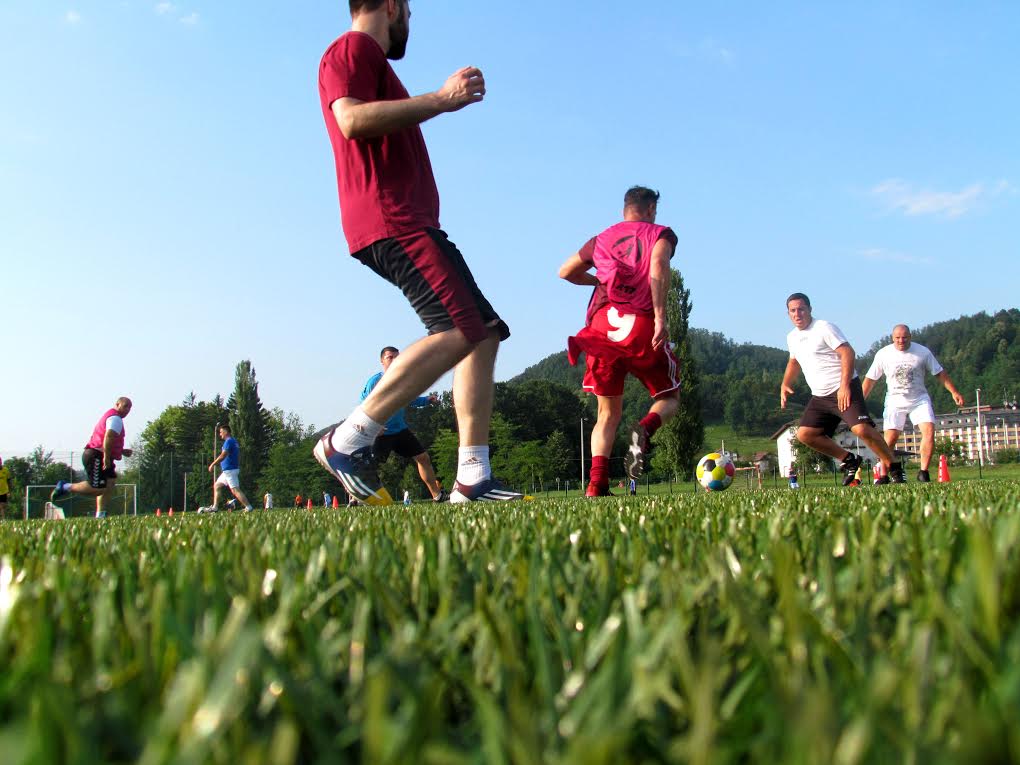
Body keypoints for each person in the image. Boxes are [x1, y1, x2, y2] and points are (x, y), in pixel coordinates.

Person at [315, 0, 522, 504]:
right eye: (409, 8)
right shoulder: (352, 47)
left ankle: (473, 475)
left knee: (484, 332)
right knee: (457, 330)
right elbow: (351, 119)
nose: (410, 19)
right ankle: (347, 439)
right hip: (392, 219)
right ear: (392, 5)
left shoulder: (372, 61)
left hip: (413, 221)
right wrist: (442, 98)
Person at [558, 186, 681, 497]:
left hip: (602, 330)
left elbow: (565, 272)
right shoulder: (660, 234)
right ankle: (645, 428)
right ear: (650, 209)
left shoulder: (601, 239)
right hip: (640, 325)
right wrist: (661, 317)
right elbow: (658, 266)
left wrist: (598, 279)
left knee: (607, 414)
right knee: (670, 396)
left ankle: (596, 485)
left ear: (625, 209)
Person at [779, 294, 902, 485]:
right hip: (820, 396)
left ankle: (894, 467)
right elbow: (793, 361)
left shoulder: (824, 328)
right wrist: (785, 383)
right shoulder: (792, 337)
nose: (797, 314)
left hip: (844, 388)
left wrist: (844, 386)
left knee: (861, 429)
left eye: (801, 309)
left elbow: (847, 352)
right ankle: (849, 460)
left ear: (810, 309)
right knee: (805, 434)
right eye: (793, 310)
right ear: (788, 314)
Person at [862, 324, 965, 482]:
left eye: (904, 338)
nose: (901, 341)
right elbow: (870, 379)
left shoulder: (923, 352)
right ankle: (883, 475)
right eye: (897, 338)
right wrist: (860, 400)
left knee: (929, 431)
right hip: (895, 400)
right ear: (892, 338)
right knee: (890, 438)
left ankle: (923, 472)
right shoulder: (883, 354)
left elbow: (939, 373)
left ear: (910, 337)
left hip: (919, 399)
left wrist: (954, 392)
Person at [361, 346, 449, 502]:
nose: (394, 360)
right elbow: (365, 405)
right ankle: (355, 499)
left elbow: (409, 398)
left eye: (397, 357)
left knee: (423, 458)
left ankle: (437, 495)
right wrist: (374, 426)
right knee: (370, 467)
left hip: (400, 431)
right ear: (382, 361)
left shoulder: (403, 380)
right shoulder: (375, 382)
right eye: (390, 357)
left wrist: (426, 400)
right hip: (381, 432)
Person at [51, 397, 134, 517]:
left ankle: (100, 515)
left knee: (109, 484)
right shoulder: (115, 418)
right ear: (117, 404)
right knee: (97, 489)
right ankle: (64, 487)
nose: (127, 410)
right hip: (96, 455)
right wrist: (106, 457)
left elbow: (106, 439)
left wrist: (121, 451)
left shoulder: (113, 417)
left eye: (129, 408)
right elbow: (109, 437)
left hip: (101, 454)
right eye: (125, 406)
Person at [202, 425, 254, 512]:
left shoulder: (228, 441)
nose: (220, 434)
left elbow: (223, 455)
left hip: (230, 470)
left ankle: (249, 507)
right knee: (217, 486)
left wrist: (212, 464)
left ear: (226, 432)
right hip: (228, 471)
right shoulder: (233, 441)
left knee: (235, 490)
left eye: (221, 432)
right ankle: (215, 507)